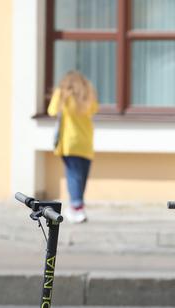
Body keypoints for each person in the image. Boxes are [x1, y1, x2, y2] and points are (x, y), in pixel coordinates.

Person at [47, 71, 98, 223]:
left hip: (70, 142)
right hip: (85, 142)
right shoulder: (87, 95)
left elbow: (52, 111)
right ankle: (77, 206)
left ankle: (77, 207)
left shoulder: (63, 94)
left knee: (73, 175)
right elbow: (94, 110)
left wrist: (60, 95)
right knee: (81, 175)